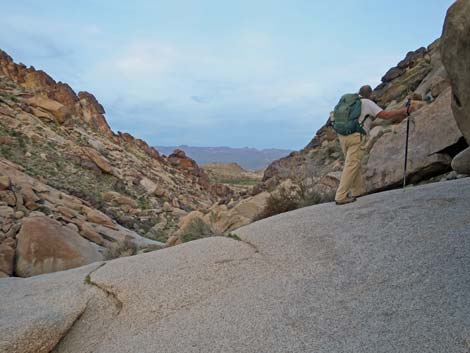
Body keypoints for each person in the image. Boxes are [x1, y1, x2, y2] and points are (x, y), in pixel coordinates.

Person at [334, 85, 411, 205]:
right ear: (370, 94)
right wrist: (403, 111)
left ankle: (357, 191)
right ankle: (340, 196)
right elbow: (384, 115)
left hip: (343, 136)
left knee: (355, 163)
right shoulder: (367, 103)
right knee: (352, 164)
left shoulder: (351, 102)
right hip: (356, 136)